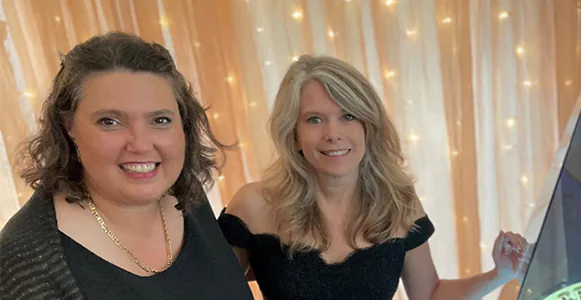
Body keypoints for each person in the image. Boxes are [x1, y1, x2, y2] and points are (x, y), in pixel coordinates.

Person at [217, 55, 529, 300]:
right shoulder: (254, 205)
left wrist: (499, 275)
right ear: (294, 134)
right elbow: (213, 290)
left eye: (348, 116)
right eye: (314, 119)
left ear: (369, 126)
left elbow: (430, 295)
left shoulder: (399, 203)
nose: (333, 134)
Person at [0, 32, 253, 299]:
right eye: (110, 121)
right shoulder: (25, 263)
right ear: (69, 126)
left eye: (160, 120)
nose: (141, 145)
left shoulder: (185, 194)